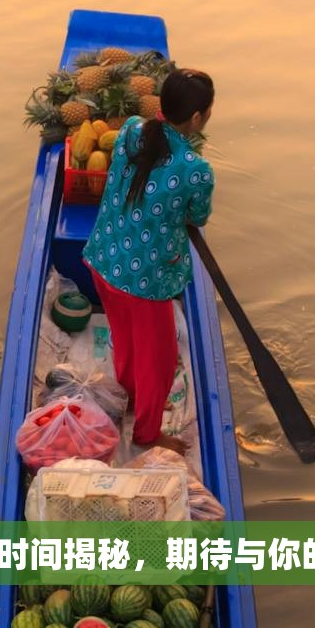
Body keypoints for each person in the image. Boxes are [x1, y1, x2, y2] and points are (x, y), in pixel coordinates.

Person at [79, 69, 217, 457]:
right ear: (196, 118)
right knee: (160, 361)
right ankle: (147, 431)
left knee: (125, 338)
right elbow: (197, 217)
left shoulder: (129, 131)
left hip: (106, 260)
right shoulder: (195, 170)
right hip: (146, 280)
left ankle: (134, 398)